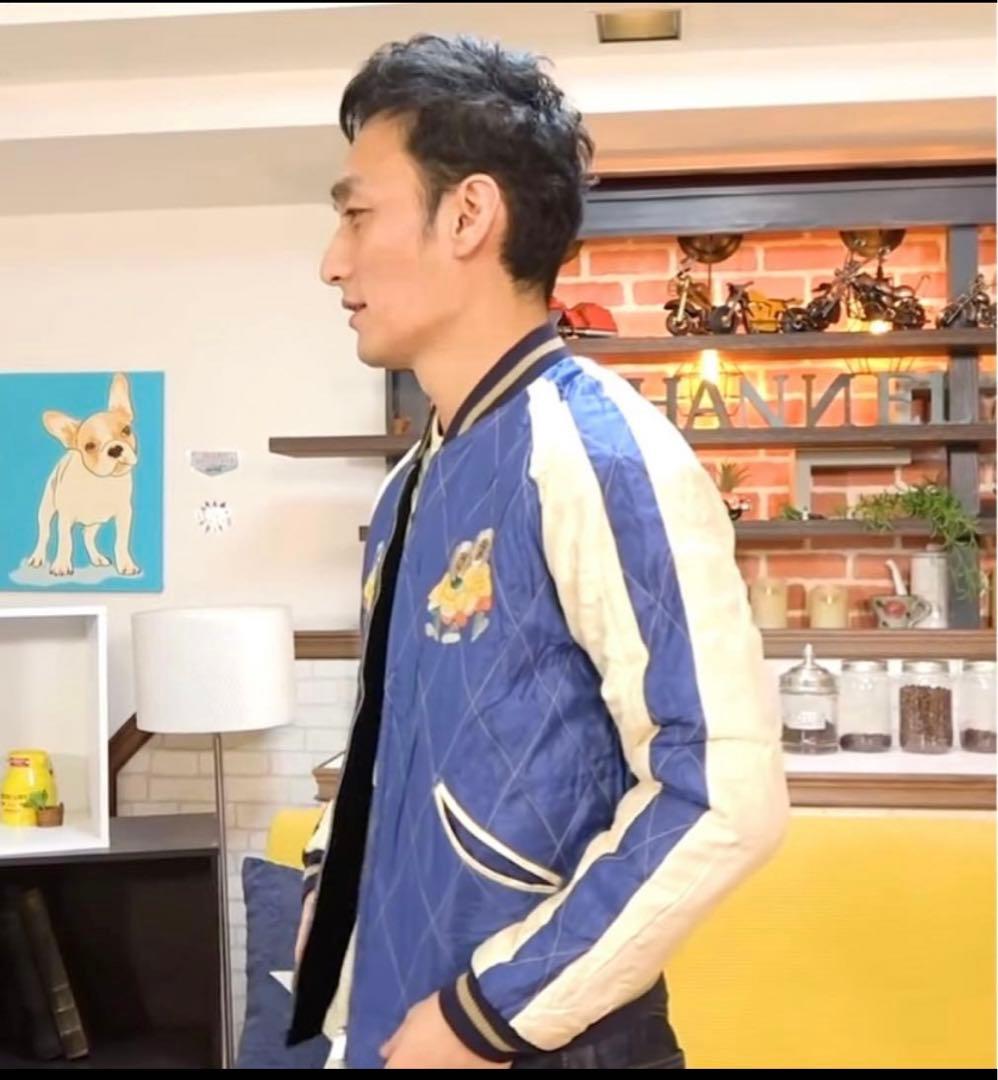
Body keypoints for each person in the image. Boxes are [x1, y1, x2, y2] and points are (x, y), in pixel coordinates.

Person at [288, 33, 789, 1070]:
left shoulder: (598, 452)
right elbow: (387, 735)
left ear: (468, 214)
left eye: (356, 213)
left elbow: (723, 792)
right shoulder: (408, 483)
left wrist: (491, 1013)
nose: (332, 261)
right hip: (392, 1022)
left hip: (535, 1043)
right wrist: (326, 902)